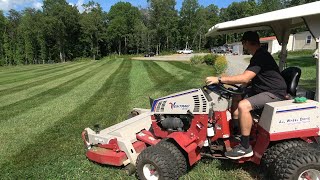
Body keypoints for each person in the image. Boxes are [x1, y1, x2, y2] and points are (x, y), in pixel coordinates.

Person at [205, 31, 287, 159]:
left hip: (274, 92)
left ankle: (245, 147)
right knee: (237, 96)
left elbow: (245, 78)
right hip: (263, 89)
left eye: (244, 44)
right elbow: (248, 79)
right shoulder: (258, 56)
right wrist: (240, 88)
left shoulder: (261, 56)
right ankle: (236, 130)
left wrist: (219, 79)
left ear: (247, 42)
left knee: (243, 106)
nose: (244, 46)